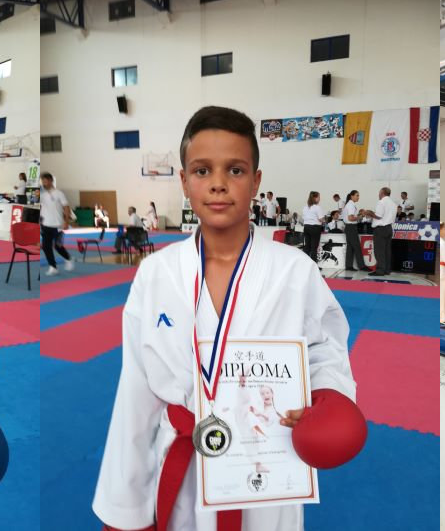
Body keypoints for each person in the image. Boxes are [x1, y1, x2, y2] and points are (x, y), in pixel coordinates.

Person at [93, 105, 357, 531]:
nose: (218, 183)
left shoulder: (295, 270)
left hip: (268, 462)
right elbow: (136, 393)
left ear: (256, 181)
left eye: (235, 170)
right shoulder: (156, 273)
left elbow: (325, 349)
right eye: (202, 171)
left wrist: (331, 398)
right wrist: (126, 510)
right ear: (184, 181)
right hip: (182, 466)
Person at [37, 172, 74, 276]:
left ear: (51, 181)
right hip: (45, 224)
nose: (44, 183)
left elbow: (66, 207)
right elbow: (39, 206)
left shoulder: (59, 193)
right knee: (46, 246)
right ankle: (53, 267)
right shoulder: (42, 195)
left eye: (45, 181)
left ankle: (68, 258)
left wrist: (66, 222)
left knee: (58, 246)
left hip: (58, 225)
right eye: (42, 181)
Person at [365, 187, 396, 276]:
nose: (378, 194)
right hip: (389, 228)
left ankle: (380, 270)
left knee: (379, 251)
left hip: (380, 229)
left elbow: (378, 216)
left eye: (379, 193)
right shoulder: (393, 203)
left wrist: (369, 212)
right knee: (387, 251)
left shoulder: (381, 202)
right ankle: (387, 270)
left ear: (382, 193)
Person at [341, 190, 371, 272]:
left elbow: (351, 217)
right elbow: (350, 218)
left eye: (358, 195)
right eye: (357, 195)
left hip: (349, 227)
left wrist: (359, 216)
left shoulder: (349, 204)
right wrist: (360, 216)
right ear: (352, 196)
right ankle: (362, 266)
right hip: (351, 227)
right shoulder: (351, 205)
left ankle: (348, 265)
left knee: (350, 247)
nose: (358, 197)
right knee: (357, 247)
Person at [302, 191, 324, 263]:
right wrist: (324, 220)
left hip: (306, 227)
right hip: (315, 228)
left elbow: (303, 218)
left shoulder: (305, 207)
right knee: (314, 247)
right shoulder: (317, 207)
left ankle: (305, 263)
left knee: (307, 247)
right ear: (315, 198)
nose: (320, 199)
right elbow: (321, 219)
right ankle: (313, 264)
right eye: (319, 197)